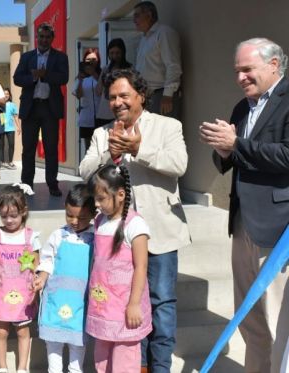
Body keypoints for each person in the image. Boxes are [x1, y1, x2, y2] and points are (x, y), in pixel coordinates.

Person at [79, 68, 190, 373]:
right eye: (112, 97)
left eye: (124, 95)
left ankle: (160, 368)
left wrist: (139, 149)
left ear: (141, 96)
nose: (118, 102)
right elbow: (84, 170)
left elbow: (179, 164)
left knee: (162, 302)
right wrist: (109, 156)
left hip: (160, 230)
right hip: (115, 238)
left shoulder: (169, 126)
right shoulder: (102, 134)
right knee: (127, 306)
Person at [199, 38, 289, 373]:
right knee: (250, 319)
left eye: (247, 69)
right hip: (242, 225)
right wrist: (224, 152)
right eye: (237, 71)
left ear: (274, 65)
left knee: (280, 319)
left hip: (278, 230)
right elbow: (235, 155)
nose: (240, 77)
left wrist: (237, 144)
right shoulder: (242, 107)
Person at [86, 164, 152, 372]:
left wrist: (134, 304)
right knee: (102, 358)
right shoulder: (99, 221)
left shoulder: (135, 225)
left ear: (121, 194)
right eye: (95, 199)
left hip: (125, 308)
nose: (97, 204)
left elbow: (141, 267)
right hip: (103, 306)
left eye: (101, 199)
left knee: (125, 361)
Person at [32, 184, 96, 373]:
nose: (75, 221)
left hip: (80, 303)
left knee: (77, 352)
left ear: (93, 214)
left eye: (81, 217)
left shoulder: (95, 237)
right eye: (70, 215)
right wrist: (42, 278)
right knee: (54, 348)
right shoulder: (58, 236)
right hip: (56, 300)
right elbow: (47, 261)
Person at [0, 185, 41, 373]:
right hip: (2, 293)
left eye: (13, 216)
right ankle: (2, 368)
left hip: (23, 295)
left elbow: (36, 266)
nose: (9, 220)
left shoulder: (30, 236)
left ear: (24, 212)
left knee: (23, 331)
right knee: (1, 331)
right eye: (4, 216)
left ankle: (22, 368)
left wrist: (35, 289)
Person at [13, 22, 69, 196]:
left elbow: (64, 78)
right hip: (31, 108)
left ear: (52, 38)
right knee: (28, 148)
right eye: (41, 37)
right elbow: (17, 79)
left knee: (51, 148)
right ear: (37, 38)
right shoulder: (27, 57)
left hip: (50, 108)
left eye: (47, 37)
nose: (44, 40)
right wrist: (33, 76)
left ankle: (52, 184)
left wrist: (45, 75)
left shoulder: (60, 57)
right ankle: (27, 184)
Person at [133, 1, 181, 118]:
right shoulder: (144, 39)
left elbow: (173, 65)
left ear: (149, 15)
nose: (134, 20)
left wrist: (167, 95)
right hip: (146, 96)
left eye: (137, 15)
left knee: (163, 134)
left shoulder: (164, 33)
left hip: (161, 96)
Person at [96, 38, 132, 125]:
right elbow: (98, 91)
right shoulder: (105, 69)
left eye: (117, 53)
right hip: (104, 113)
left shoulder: (129, 69)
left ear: (123, 53)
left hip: (121, 111)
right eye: (111, 53)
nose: (114, 56)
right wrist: (103, 76)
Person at [73, 48, 102, 151]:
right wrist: (81, 80)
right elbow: (78, 95)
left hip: (101, 116)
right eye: (88, 60)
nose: (91, 62)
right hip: (86, 117)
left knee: (101, 146)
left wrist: (94, 74)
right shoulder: (80, 77)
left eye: (94, 59)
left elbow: (105, 90)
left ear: (98, 60)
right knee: (89, 148)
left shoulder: (102, 74)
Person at [1, 88, 20, 170]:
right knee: (1, 145)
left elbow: (16, 117)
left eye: (7, 94)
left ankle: (10, 162)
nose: (6, 95)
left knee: (11, 144)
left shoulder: (12, 105)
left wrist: (19, 127)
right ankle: (2, 162)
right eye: (4, 94)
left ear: (9, 95)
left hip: (10, 128)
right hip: (1, 127)